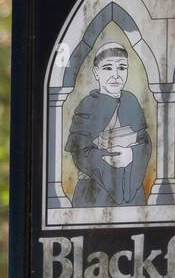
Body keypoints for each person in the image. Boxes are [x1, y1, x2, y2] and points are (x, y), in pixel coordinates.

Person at [65, 43, 151, 208]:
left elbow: (144, 141)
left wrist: (131, 155)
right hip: (94, 192)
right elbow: (80, 152)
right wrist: (109, 157)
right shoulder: (87, 106)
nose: (116, 75)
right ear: (97, 73)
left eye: (122, 68)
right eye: (108, 68)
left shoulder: (131, 101)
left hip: (130, 191)